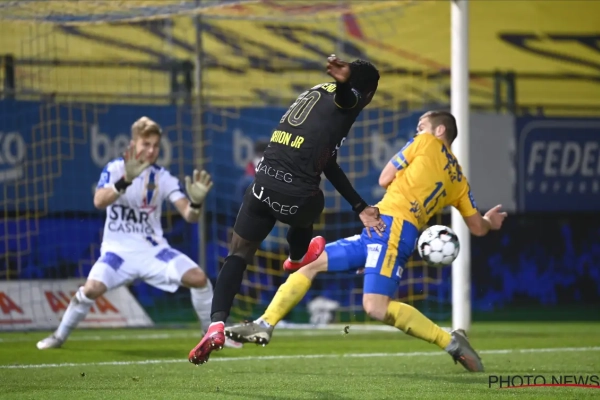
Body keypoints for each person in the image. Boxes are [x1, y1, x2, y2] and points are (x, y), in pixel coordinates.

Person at [225, 111, 508, 373]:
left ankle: (450, 341)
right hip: (381, 230)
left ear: (440, 130)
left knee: (375, 307)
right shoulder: (459, 179)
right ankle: (264, 324)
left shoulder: (425, 142)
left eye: (422, 126)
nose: (418, 130)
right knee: (309, 263)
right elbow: (477, 227)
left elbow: (385, 178)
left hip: (392, 228)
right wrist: (489, 221)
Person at [188, 55, 386, 365]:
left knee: (237, 254)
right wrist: (345, 85)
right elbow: (347, 100)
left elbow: (327, 160)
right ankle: (297, 257)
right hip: (297, 195)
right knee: (314, 201)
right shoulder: (351, 98)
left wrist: (359, 205)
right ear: (369, 93)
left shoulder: (314, 92)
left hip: (262, 183)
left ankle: (216, 325)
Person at [36, 116, 242, 350]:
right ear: (133, 144)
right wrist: (126, 180)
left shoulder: (163, 177)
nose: (152, 150)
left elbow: (189, 215)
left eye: (156, 145)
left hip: (153, 252)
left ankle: (211, 334)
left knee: (199, 279)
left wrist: (195, 203)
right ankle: (59, 336)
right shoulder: (115, 169)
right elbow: (99, 201)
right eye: (146, 144)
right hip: (118, 253)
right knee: (91, 289)